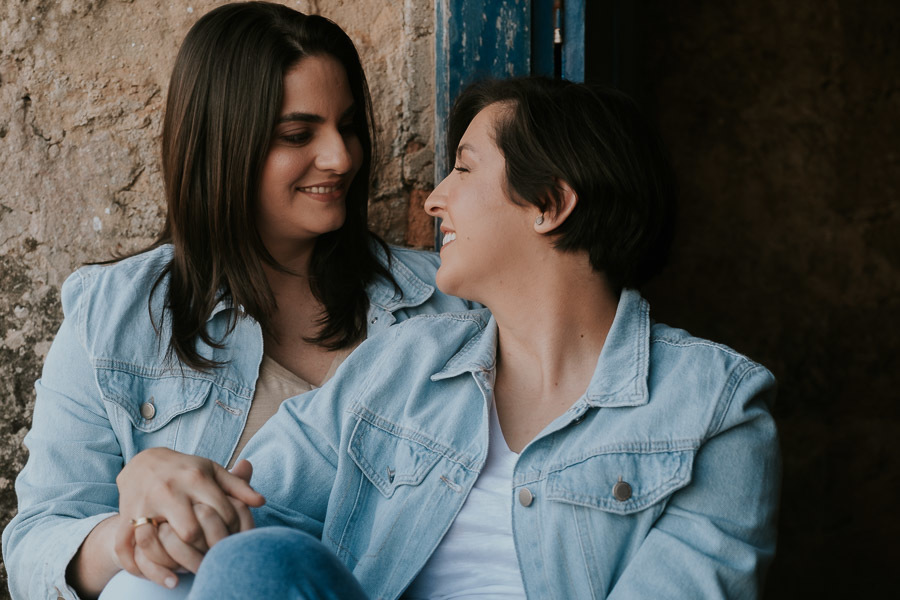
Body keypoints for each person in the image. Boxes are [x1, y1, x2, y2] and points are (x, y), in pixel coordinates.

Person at [182, 76, 781, 599]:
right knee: (250, 562)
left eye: (464, 168)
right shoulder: (401, 361)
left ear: (549, 203)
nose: (433, 199)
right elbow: (246, 511)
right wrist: (161, 488)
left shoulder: (714, 407)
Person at [1, 3, 475, 599]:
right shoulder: (115, 313)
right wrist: (136, 536)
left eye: (349, 126)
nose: (341, 157)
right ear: (222, 144)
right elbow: (35, 545)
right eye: (298, 135)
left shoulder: (450, 304)